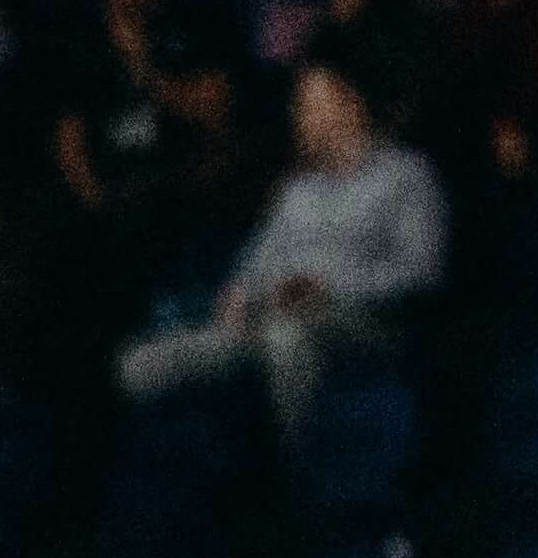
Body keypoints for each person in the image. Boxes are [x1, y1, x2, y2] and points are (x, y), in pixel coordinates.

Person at [123, 62, 449, 436]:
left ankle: (288, 478)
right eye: (299, 108)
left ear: (351, 105)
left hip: (363, 323)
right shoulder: (298, 189)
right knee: (142, 362)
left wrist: (325, 286)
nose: (300, 118)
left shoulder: (406, 174)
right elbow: (256, 258)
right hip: (272, 312)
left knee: (286, 334)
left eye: (310, 106)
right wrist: (241, 289)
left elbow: (422, 271)